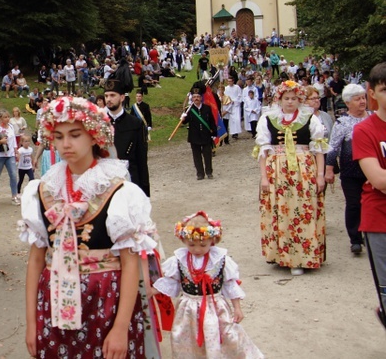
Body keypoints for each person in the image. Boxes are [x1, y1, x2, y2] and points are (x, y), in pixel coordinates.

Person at [19, 95, 161, 358]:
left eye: (75, 134)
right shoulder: (43, 190)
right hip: (52, 303)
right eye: (59, 136)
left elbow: (130, 263)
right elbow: (37, 259)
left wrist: (120, 327)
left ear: (95, 135)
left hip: (105, 300)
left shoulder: (119, 191)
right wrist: (31, 323)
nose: (66, 144)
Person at [152, 211, 263, 358]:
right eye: (191, 245)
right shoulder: (179, 261)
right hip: (188, 310)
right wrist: (150, 291)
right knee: (187, 342)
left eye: (203, 245)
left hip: (215, 308)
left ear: (212, 240)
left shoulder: (221, 260)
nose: (197, 250)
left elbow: (230, 285)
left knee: (223, 337)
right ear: (184, 241)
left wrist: (237, 308)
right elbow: (170, 282)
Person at [254, 80, 329, 276]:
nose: (290, 102)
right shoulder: (268, 119)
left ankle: (302, 257)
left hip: (303, 170)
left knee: (302, 209)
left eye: (294, 98)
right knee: (280, 209)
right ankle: (282, 255)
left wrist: (320, 175)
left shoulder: (309, 118)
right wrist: (263, 177)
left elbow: (319, 149)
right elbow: (263, 151)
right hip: (276, 170)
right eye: (286, 98)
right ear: (279, 99)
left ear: (299, 99)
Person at [352, 62, 386, 329]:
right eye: (385, 90)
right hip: (380, 220)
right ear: (372, 92)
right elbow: (378, 179)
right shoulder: (365, 130)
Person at [326, 84, 371, 254]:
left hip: (372, 171)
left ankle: (371, 235)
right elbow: (333, 147)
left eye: (363, 98)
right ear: (347, 102)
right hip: (350, 172)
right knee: (354, 204)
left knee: (371, 204)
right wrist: (329, 170)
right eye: (357, 98)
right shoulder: (342, 122)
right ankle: (355, 239)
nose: (362, 101)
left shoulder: (373, 118)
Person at [104, 78, 150, 196]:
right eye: (106, 96)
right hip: (105, 185)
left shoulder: (135, 124)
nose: (108, 99)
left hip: (130, 182)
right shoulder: (98, 123)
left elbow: (142, 160)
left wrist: (144, 192)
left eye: (112, 95)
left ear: (122, 97)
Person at [183, 85, 216, 180]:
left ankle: (209, 172)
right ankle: (200, 173)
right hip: (194, 136)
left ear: (201, 98)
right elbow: (185, 122)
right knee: (196, 156)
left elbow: (211, 121)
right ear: (192, 98)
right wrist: (183, 117)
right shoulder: (189, 109)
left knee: (207, 155)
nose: (196, 98)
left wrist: (214, 133)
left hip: (206, 135)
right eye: (194, 97)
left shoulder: (207, 108)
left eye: (198, 97)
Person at [0, 110, 19, 204]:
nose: (7, 119)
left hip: (10, 155)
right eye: (5, 117)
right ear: (1, 118)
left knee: (13, 174)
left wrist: (16, 150)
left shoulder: (11, 127)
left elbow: (13, 140)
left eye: (8, 117)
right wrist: (1, 142)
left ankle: (14, 196)